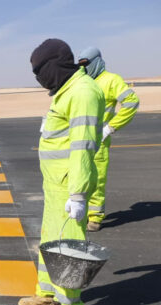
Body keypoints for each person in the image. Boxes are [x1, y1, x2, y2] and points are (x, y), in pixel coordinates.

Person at [18, 38, 105, 305]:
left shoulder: (82, 93)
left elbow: (82, 147)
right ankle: (46, 291)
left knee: (68, 245)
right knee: (50, 240)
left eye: (40, 72)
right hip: (56, 184)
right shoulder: (67, 91)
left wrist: (79, 195)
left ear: (54, 66)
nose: (39, 79)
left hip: (70, 185)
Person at [77, 47, 140, 232]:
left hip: (98, 141)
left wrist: (111, 127)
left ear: (96, 61)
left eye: (86, 64)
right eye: (80, 64)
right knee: (79, 176)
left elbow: (131, 102)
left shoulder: (111, 80)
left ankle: (94, 218)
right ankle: (80, 213)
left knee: (96, 179)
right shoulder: (82, 81)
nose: (83, 68)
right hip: (79, 139)